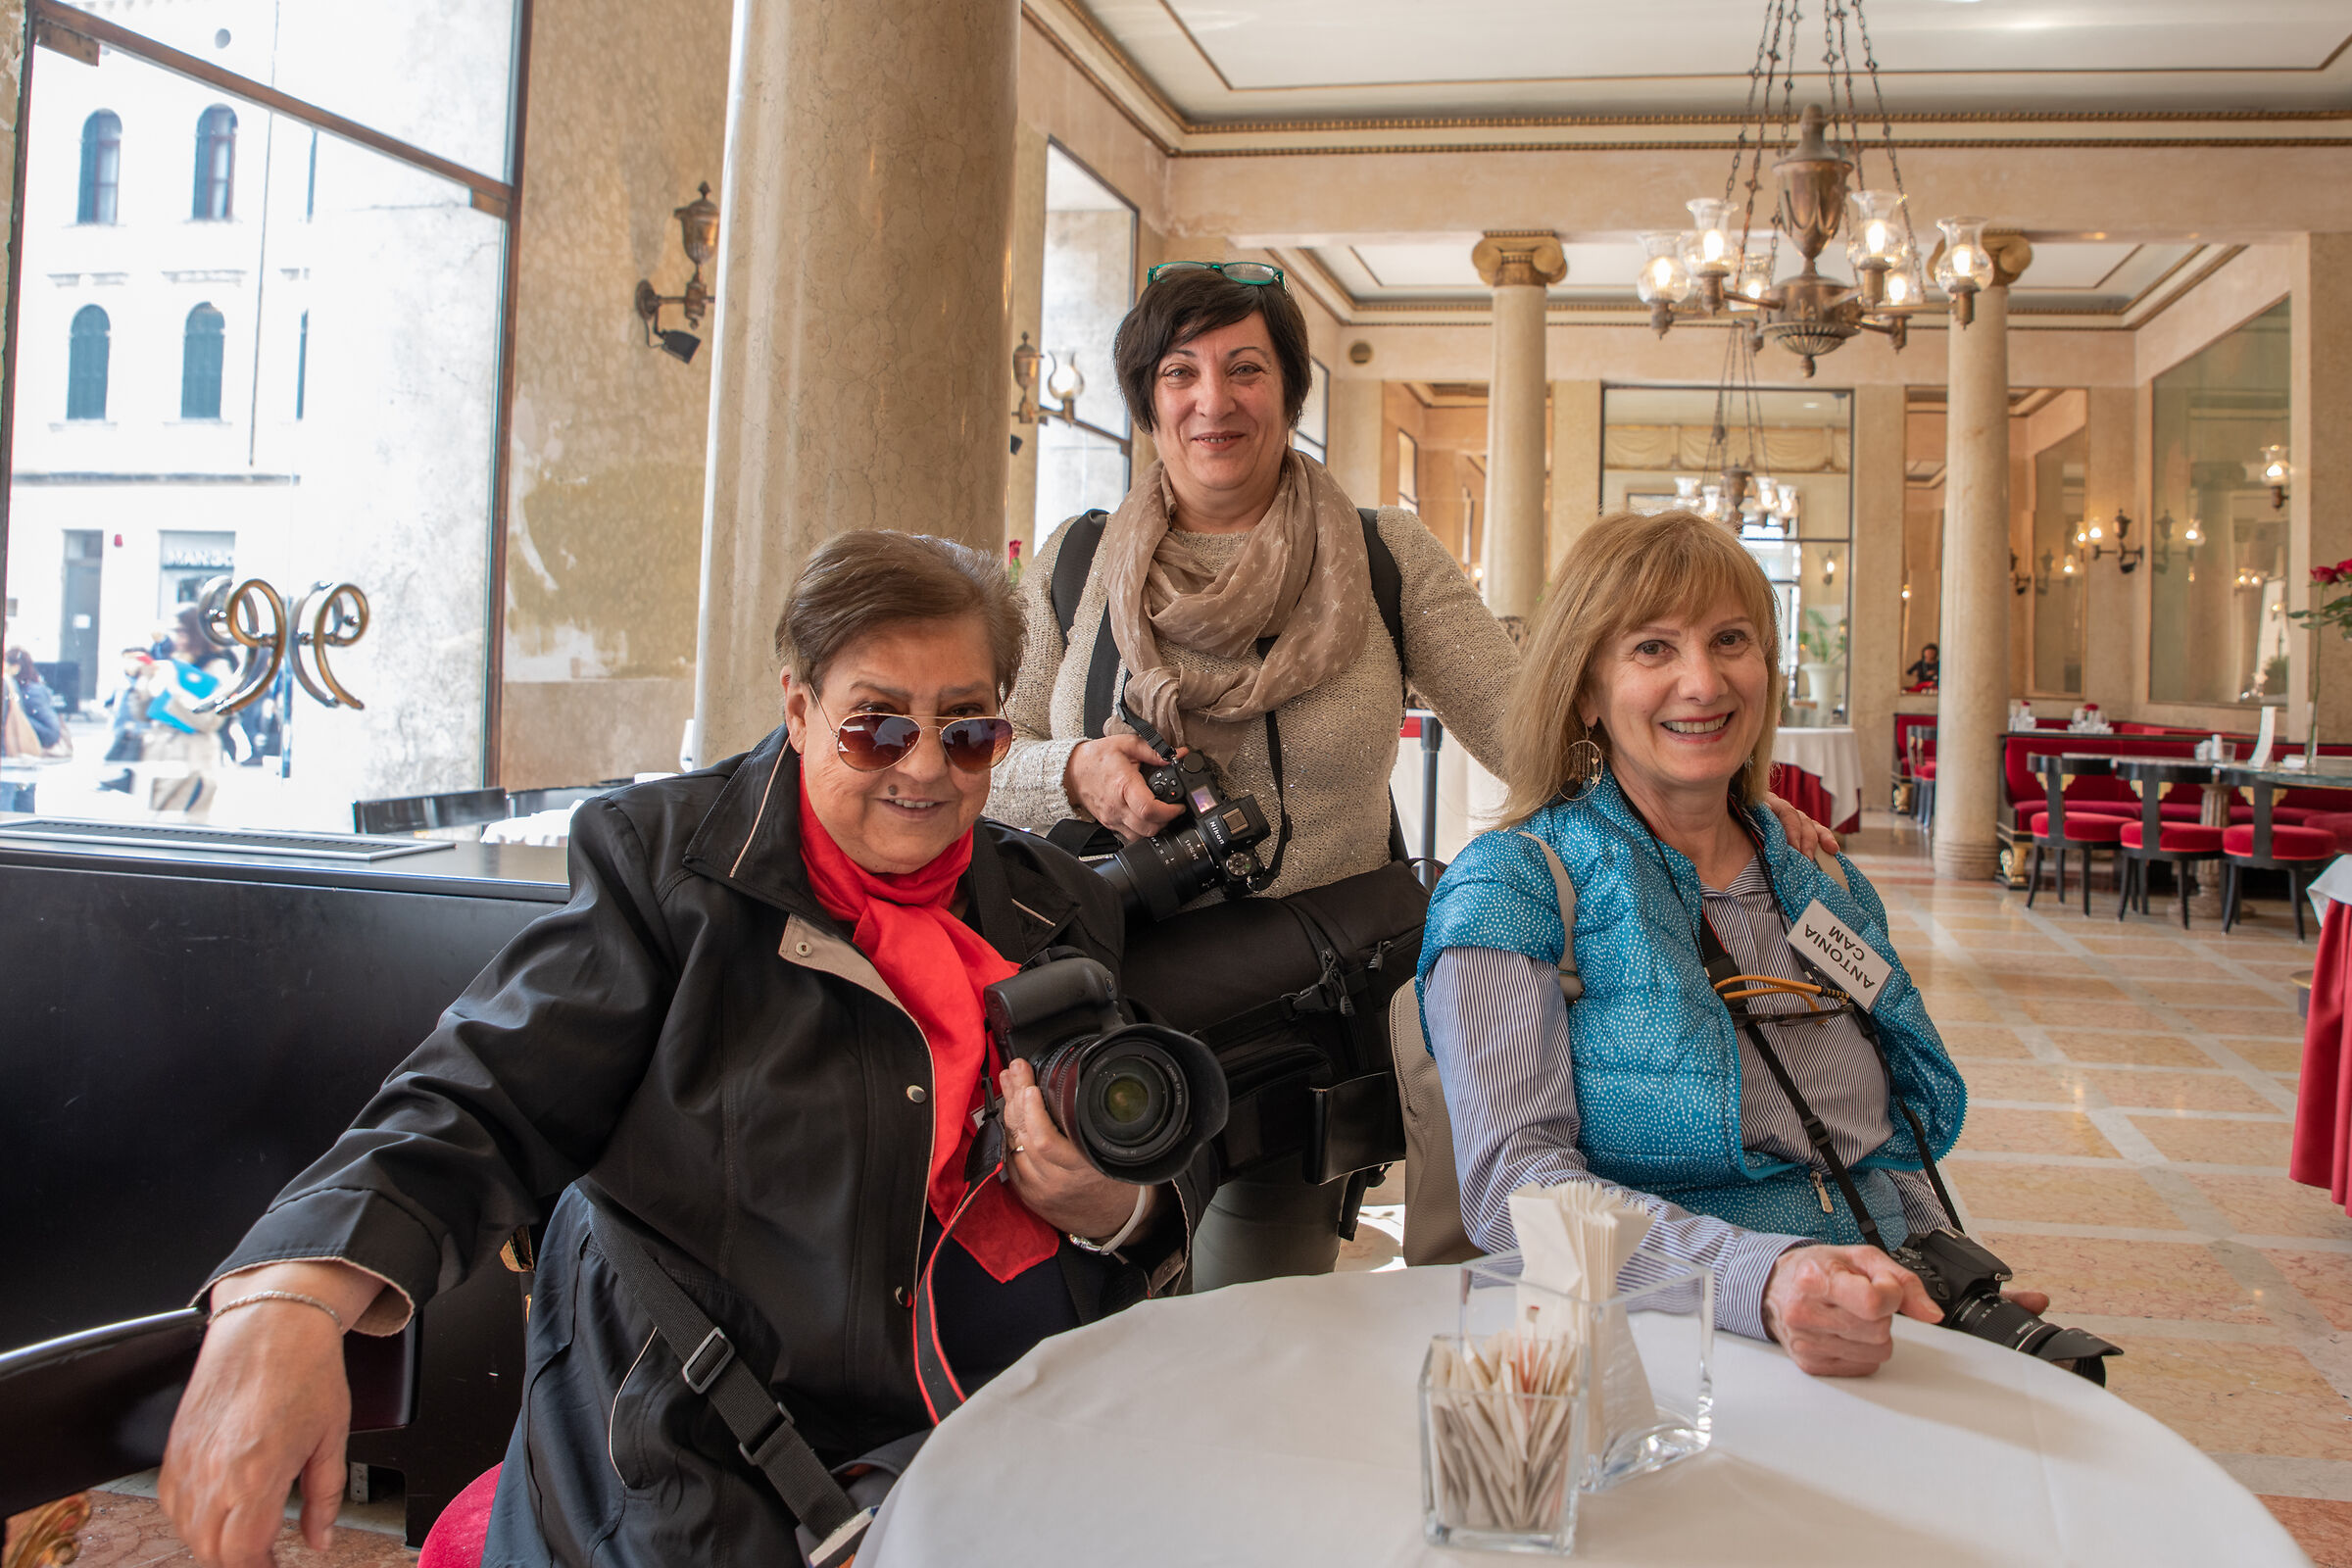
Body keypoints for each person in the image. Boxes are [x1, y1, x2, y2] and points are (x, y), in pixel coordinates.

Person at [159, 531, 1214, 1568]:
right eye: (876, 730)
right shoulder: (667, 874)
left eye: (969, 731)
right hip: (692, 1471)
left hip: (991, 1454)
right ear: (799, 709)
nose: (928, 770)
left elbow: (1146, 1148)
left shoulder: (1047, 901)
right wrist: (289, 1300)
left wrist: (1112, 1206)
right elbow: (477, 1093)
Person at [1419, 510, 2044, 1377]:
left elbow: (1879, 1140)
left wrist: (1945, 1273)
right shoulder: (1515, 889)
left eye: (1730, 640)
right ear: (1586, 691)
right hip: (1658, 1356)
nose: (1703, 682)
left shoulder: (1822, 885)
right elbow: (1514, 1192)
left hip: (1866, 1323)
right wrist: (1769, 1278)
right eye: (1652, 649)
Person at [994, 260, 1521, 1285]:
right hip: (1104, 1012)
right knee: (1084, 1320)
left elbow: (1528, 726)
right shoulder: (1077, 561)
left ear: (1287, 392)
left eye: (1245, 368)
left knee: (1244, 1332)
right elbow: (981, 751)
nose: (1212, 399)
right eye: (1180, 372)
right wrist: (1079, 775)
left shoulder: (1381, 557)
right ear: (1148, 400)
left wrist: (1716, 799)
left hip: (1297, 1031)